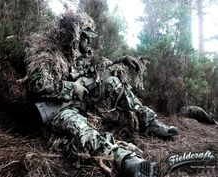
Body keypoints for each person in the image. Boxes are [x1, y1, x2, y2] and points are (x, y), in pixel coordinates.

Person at [23, 12, 178, 177]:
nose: (89, 41)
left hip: (81, 103)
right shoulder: (50, 54)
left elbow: (100, 66)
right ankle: (123, 159)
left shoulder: (83, 55)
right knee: (81, 129)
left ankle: (148, 123)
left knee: (112, 82)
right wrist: (71, 87)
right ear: (75, 36)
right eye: (86, 37)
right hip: (58, 111)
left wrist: (122, 59)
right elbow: (36, 84)